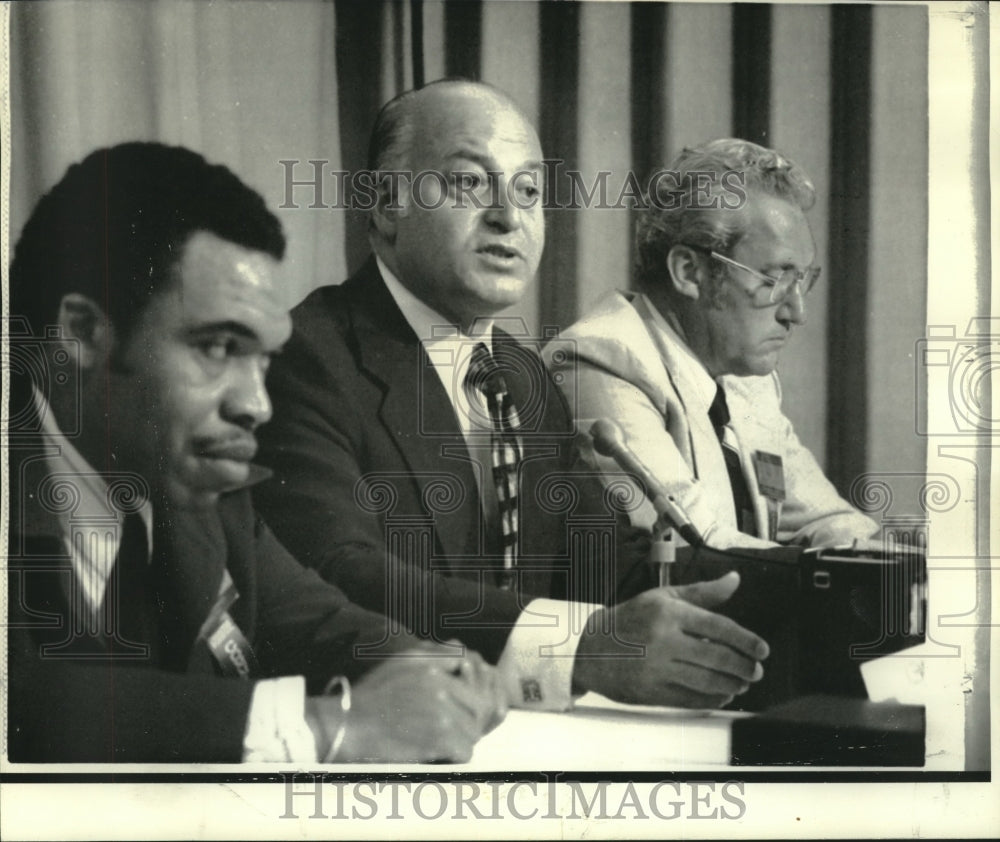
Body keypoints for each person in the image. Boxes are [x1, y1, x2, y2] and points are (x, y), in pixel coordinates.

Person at [255, 80, 770, 714]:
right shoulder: (303, 358)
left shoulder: (519, 375)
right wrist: (576, 647)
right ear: (388, 207)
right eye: (471, 183)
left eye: (528, 190)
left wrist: (825, 590)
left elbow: (607, 562)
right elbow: (336, 573)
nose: (508, 216)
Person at [5, 142, 504, 763]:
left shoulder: (199, 485)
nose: (257, 405)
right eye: (218, 347)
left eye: (263, 357)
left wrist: (427, 670)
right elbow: (21, 702)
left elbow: (315, 624)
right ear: (80, 333)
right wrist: (318, 726)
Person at [544, 138, 878, 553]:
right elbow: (695, 547)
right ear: (689, 272)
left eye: (803, 280)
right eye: (775, 279)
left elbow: (828, 519)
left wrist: (890, 562)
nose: (797, 312)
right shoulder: (601, 360)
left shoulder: (747, 381)